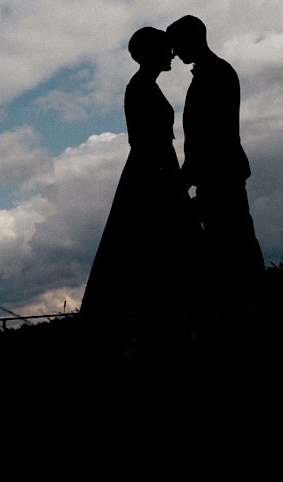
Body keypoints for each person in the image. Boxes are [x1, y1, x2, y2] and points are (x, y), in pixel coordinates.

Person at [80, 26, 202, 333]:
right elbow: (149, 141)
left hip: (152, 168)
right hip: (153, 170)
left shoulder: (143, 85)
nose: (172, 53)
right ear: (152, 53)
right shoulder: (141, 87)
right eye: (165, 48)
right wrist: (172, 177)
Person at [167, 15, 264, 310]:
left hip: (220, 173)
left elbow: (213, 133)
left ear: (191, 40)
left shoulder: (216, 73)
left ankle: (249, 298)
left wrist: (187, 175)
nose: (174, 52)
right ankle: (244, 296)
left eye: (177, 44)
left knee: (234, 239)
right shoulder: (212, 72)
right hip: (215, 173)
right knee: (229, 239)